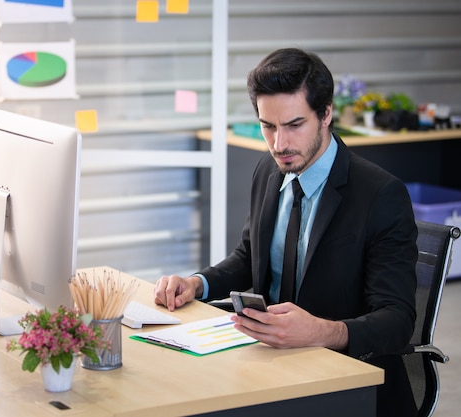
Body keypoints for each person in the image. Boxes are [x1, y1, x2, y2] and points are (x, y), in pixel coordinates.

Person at [153, 48, 418, 417]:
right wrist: (197, 284)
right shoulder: (269, 170)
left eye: (294, 125)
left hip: (347, 383)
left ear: (326, 114)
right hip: (271, 370)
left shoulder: (380, 195)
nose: (279, 144)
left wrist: (320, 332)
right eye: (268, 126)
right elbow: (248, 258)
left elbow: (398, 320)